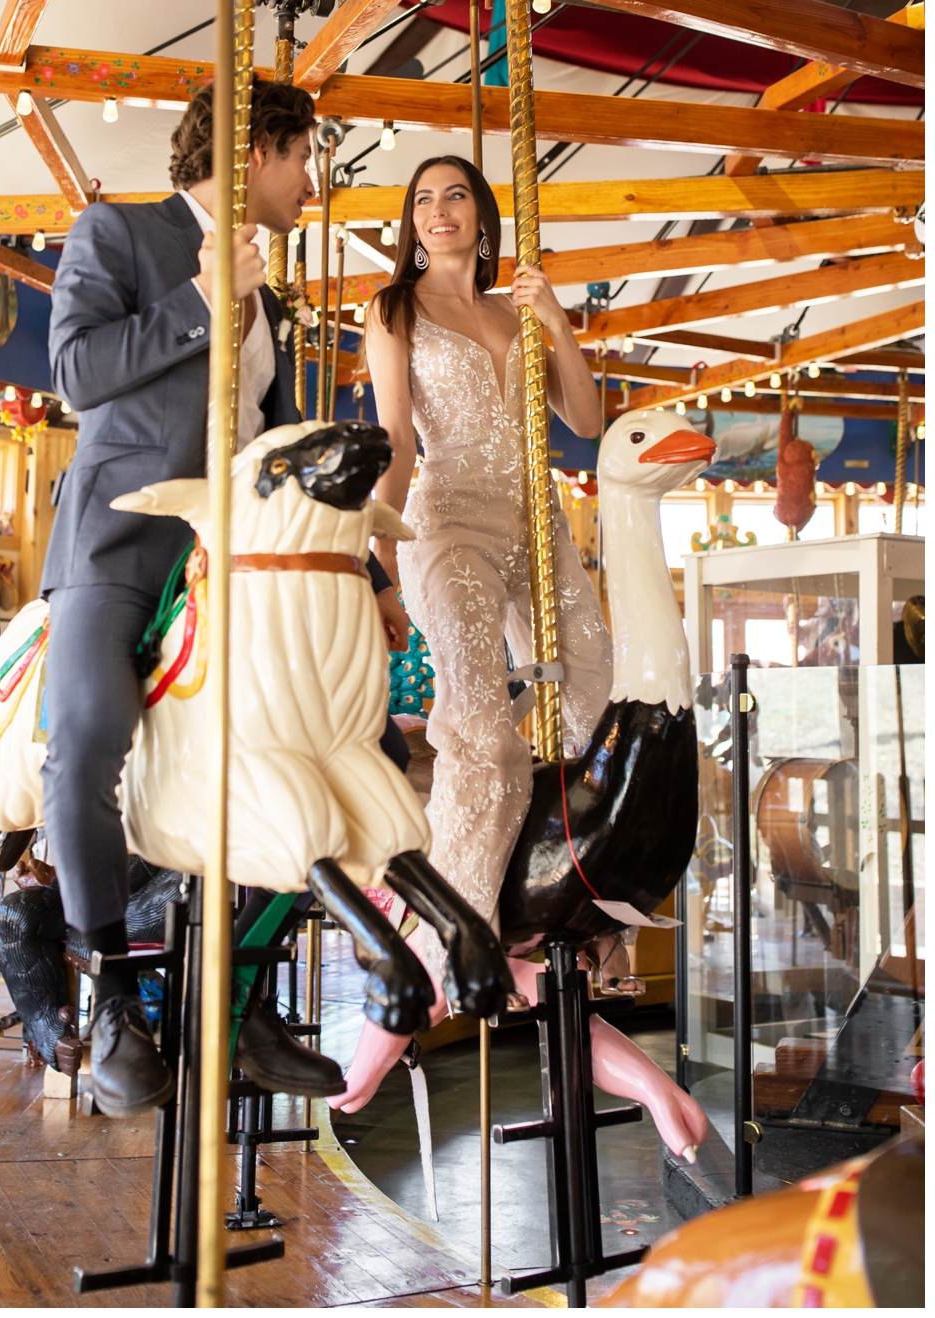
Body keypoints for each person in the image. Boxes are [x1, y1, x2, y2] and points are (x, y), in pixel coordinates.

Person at [39, 76, 411, 1115]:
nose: (312, 182)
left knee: (352, 758)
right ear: (256, 150)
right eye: (303, 158)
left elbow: (282, 452)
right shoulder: (117, 232)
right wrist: (203, 299)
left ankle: (238, 995)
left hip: (234, 560)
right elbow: (76, 371)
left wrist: (370, 575)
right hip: (123, 539)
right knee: (89, 728)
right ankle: (110, 992)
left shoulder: (273, 298)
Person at [338, 154, 707, 1158]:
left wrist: (559, 323)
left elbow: (586, 425)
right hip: (449, 524)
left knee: (602, 707)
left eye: (456, 194)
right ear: (412, 224)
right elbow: (398, 440)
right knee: (482, 740)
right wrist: (382, 559)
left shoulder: (517, 306)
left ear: (483, 215)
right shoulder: (394, 309)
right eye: (423, 199)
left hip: (536, 525)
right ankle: (430, 962)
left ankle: (568, 911)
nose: (439, 211)